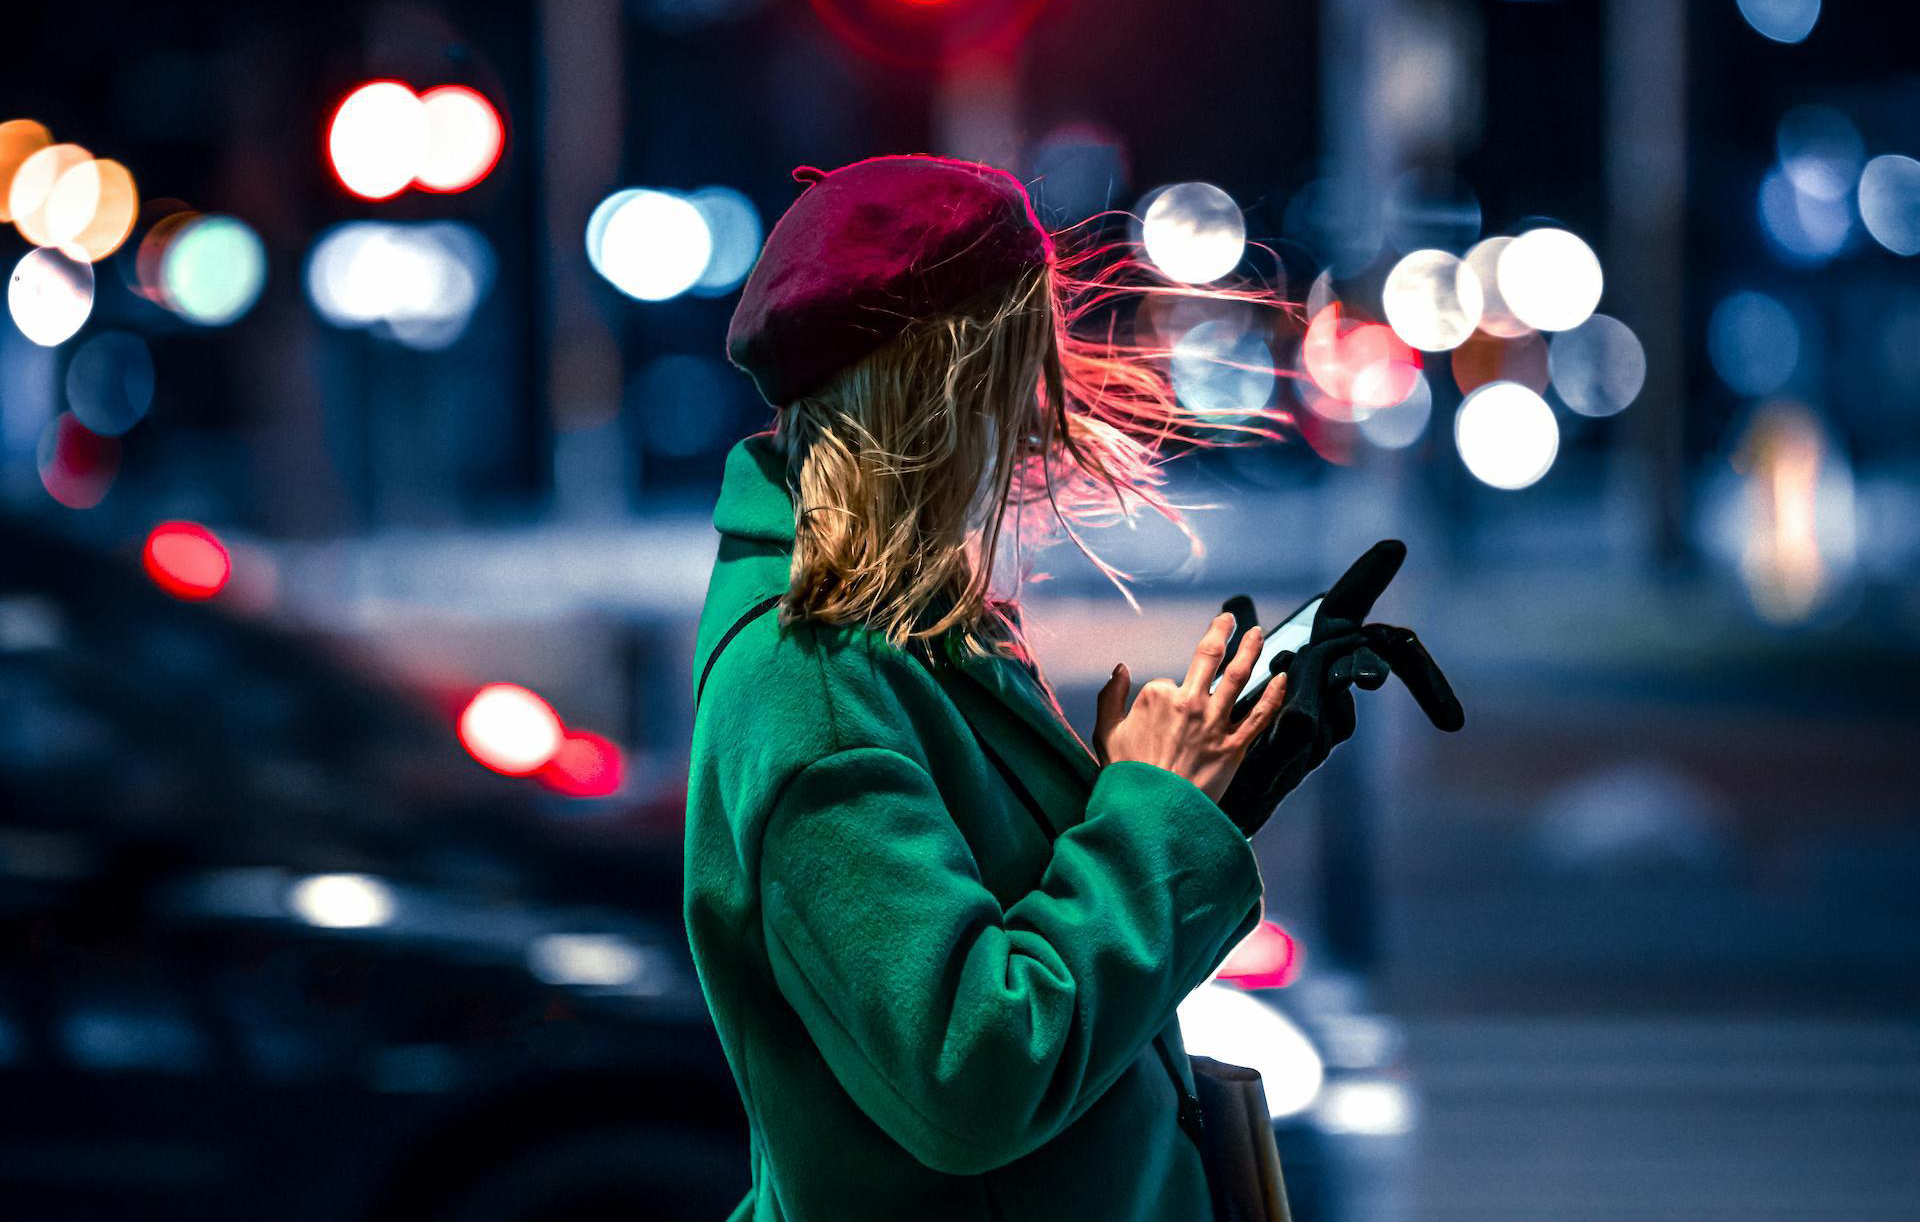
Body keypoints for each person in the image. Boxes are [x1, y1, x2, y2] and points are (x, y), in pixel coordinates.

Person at [685, 154, 1318, 1222]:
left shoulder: (901, 631)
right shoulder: (818, 687)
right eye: (1017, 375)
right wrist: (1153, 817)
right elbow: (975, 1068)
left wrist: (1191, 791)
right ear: (941, 391)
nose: (1033, 425)